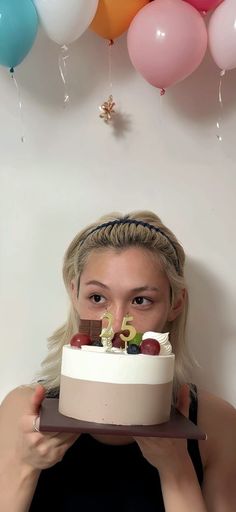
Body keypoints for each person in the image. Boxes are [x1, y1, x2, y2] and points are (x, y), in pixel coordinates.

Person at [0, 210, 236, 512]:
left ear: (175, 303)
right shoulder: (23, 413)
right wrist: (25, 467)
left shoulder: (216, 423)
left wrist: (177, 470)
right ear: (74, 294)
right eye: (98, 298)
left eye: (141, 300)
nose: (116, 324)